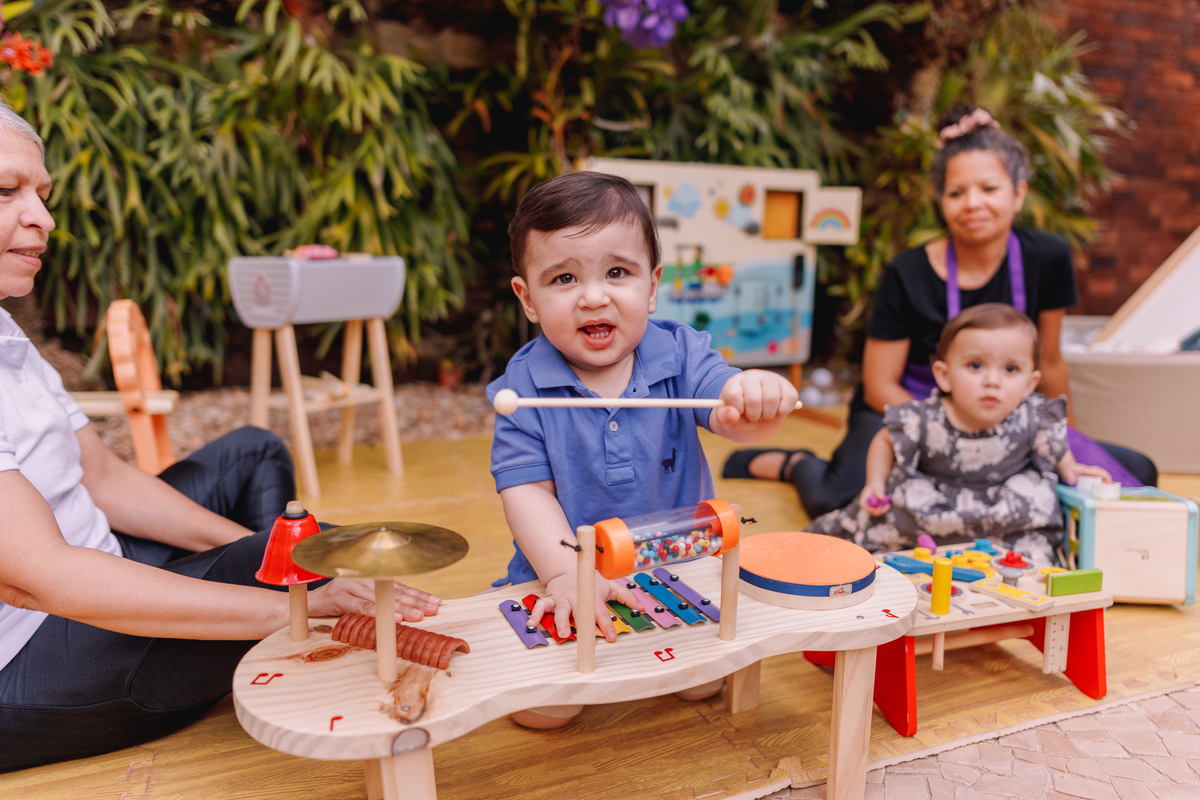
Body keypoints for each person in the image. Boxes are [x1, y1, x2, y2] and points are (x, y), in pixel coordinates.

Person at [0, 104, 440, 773]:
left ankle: (258, 623)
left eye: (42, 193)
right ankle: (278, 632)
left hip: (96, 566)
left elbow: (105, 478)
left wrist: (265, 560)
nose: (44, 217)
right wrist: (297, 603)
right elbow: (45, 581)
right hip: (32, 663)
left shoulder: (7, 336)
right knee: (321, 564)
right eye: (7, 192)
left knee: (253, 454)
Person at [723, 104, 1157, 520]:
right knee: (844, 501)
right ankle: (795, 463)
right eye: (956, 192)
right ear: (942, 201)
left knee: (1129, 477)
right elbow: (878, 385)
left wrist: (1065, 442)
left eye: (989, 188)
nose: (973, 203)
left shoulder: (1048, 257)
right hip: (912, 405)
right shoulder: (907, 271)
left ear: (1018, 193)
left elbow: (1049, 363)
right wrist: (951, 430)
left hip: (1002, 407)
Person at [486, 171, 797, 725]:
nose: (594, 296)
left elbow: (731, 416)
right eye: (563, 279)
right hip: (565, 571)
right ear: (527, 298)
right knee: (544, 713)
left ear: (652, 286)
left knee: (702, 689)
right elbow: (525, 490)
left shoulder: (681, 353)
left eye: (617, 272)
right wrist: (564, 575)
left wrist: (755, 398)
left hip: (675, 569)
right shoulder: (523, 385)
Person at [806, 304, 1109, 564]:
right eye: (976, 366)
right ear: (944, 375)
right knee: (873, 528)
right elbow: (885, 439)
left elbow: (1053, 442)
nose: (992, 380)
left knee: (1038, 509)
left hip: (1004, 514)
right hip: (933, 512)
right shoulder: (927, 416)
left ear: (1031, 384)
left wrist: (1069, 466)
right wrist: (874, 483)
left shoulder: (1033, 415)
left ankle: (1022, 567)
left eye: (1011, 369)